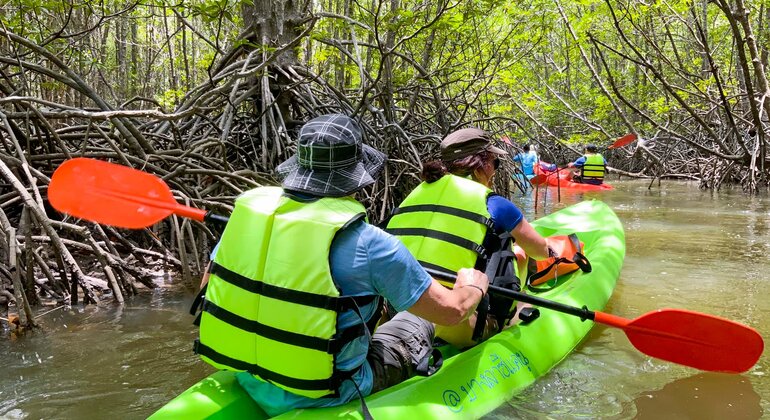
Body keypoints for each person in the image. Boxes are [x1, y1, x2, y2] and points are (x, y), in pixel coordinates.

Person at [191, 114, 489, 417]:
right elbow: (450, 312)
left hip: (249, 374)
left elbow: (210, 290)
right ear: (355, 176)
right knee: (419, 322)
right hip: (334, 390)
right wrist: (472, 287)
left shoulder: (247, 223)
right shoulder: (373, 244)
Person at [386, 128, 553, 348]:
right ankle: (506, 320)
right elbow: (540, 251)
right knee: (520, 264)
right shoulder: (493, 203)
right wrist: (553, 250)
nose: (494, 170)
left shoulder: (412, 196)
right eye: (495, 163)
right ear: (480, 165)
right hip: (452, 321)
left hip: (394, 311)